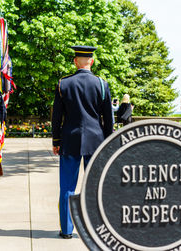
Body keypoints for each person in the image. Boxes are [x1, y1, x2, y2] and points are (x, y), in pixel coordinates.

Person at [52, 45, 113, 239]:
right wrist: (108, 140)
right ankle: (94, 228)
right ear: (91, 61)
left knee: (67, 187)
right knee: (95, 186)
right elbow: (108, 118)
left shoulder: (64, 84)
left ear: (75, 61)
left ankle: (67, 230)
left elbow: (57, 117)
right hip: (95, 141)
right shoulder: (102, 84)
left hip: (70, 140)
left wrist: (56, 140)